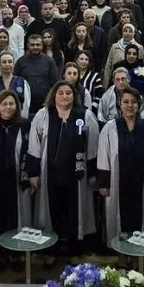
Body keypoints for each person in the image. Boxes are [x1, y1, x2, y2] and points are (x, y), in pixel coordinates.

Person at [27, 81, 99, 258]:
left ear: (74, 95)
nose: (65, 96)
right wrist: (33, 173)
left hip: (77, 175)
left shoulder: (85, 116)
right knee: (53, 213)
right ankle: (51, 251)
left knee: (75, 213)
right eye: (61, 93)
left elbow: (93, 146)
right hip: (50, 173)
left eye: (69, 93)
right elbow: (34, 145)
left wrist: (92, 174)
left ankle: (75, 250)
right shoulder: (43, 115)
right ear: (54, 95)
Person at [96, 86, 144, 250]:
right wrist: (103, 183)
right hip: (118, 182)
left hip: (142, 182)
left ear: (139, 105)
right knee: (120, 218)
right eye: (126, 101)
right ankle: (121, 254)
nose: (130, 105)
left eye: (134, 102)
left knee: (142, 218)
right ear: (119, 104)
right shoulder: (110, 128)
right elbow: (103, 155)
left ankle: (140, 253)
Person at [0, 90, 32, 271]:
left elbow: (30, 151)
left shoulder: (24, 125)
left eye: (12, 104)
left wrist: (29, 176)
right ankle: (2, 255)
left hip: (18, 180)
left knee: (18, 216)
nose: (8, 107)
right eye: (4, 104)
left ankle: (17, 255)